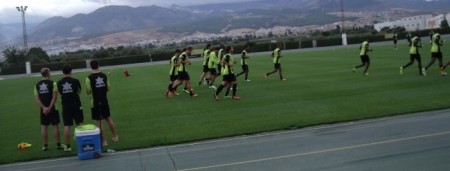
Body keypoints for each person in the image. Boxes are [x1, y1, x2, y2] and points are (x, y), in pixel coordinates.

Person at [86, 60, 119, 147]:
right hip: (104, 100)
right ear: (98, 66)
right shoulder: (104, 76)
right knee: (108, 118)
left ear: (91, 67)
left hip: (95, 102)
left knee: (99, 121)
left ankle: (104, 141)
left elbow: (88, 92)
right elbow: (108, 88)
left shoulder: (88, 78)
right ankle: (115, 136)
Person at [34, 68, 63, 151]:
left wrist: (44, 108)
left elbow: (37, 99)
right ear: (47, 73)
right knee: (55, 126)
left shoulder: (36, 85)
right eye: (49, 72)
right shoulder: (53, 83)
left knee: (44, 127)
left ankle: (45, 146)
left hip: (43, 110)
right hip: (53, 108)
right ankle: (58, 145)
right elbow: (55, 97)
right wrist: (49, 107)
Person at [57, 64, 84, 152]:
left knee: (67, 125)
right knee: (80, 123)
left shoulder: (59, 82)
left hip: (65, 105)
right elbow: (79, 91)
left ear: (63, 72)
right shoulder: (76, 81)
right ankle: (83, 143)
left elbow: (60, 92)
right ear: (71, 71)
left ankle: (68, 146)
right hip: (76, 104)